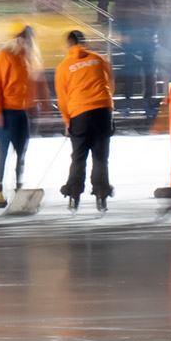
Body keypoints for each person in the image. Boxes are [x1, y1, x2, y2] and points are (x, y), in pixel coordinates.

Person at [55, 30, 114, 213]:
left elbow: (63, 98)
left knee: (79, 156)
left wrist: (67, 121)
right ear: (84, 42)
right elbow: (110, 83)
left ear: (68, 45)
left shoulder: (64, 67)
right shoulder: (99, 59)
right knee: (100, 156)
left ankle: (73, 194)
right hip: (102, 110)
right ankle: (101, 193)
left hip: (79, 112)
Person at [0, 25, 40, 209]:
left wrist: (33, 106)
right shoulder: (4, 56)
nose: (29, 45)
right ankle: (0, 191)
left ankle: (19, 188)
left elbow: (27, 86)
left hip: (21, 112)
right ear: (20, 40)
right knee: (4, 153)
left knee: (21, 154)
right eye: (27, 41)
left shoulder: (25, 58)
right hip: (6, 112)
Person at [112, 0, 166, 121]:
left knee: (150, 72)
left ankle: (149, 103)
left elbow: (162, 11)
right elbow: (119, 12)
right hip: (131, 34)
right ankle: (127, 102)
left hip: (150, 34)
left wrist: (157, 30)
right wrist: (123, 32)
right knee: (130, 70)